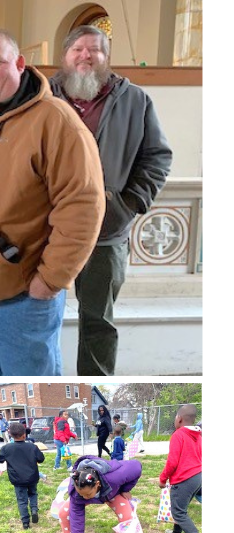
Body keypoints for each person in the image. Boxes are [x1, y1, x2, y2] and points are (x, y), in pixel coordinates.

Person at [0, 27, 104, 376]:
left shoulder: (54, 121)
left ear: (20, 64)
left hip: (21, 302)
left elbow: (83, 206)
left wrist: (49, 281)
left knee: (34, 399)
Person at [50, 26, 172, 376]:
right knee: (39, 319)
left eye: (95, 50)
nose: (85, 56)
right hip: (47, 230)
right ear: (65, 56)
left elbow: (157, 157)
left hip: (106, 234)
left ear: (107, 58)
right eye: (77, 49)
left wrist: (129, 203)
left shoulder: (135, 100)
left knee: (98, 321)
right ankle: (46, 379)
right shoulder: (41, 96)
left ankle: (94, 391)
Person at [57, 455, 143, 533]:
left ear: (97, 484)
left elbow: (137, 467)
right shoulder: (76, 491)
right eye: (81, 494)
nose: (85, 497)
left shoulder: (115, 477)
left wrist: (125, 489)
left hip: (111, 492)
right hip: (97, 492)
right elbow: (76, 518)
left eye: (88, 494)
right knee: (63, 513)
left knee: (127, 517)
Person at [160, 404, 202, 533]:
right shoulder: (199, 435)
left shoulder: (178, 435)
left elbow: (172, 462)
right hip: (198, 477)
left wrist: (163, 479)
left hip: (184, 479)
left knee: (178, 512)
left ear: (179, 419)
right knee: (181, 508)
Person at [0, 422, 45, 529]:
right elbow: (41, 459)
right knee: (33, 494)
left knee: (21, 500)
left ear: (11, 435)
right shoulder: (32, 447)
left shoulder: (6, 448)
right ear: (24, 434)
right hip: (32, 477)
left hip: (17, 479)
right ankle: (34, 509)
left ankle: (25, 522)